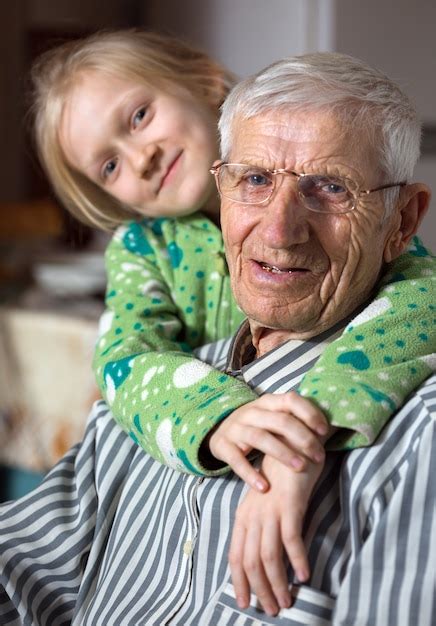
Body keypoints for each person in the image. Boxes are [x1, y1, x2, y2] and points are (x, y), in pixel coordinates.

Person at [1, 50, 434, 625]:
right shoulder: (145, 389)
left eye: (330, 187)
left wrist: (305, 434)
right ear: (223, 182)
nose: (278, 232)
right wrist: (215, 415)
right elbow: (125, 361)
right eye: (253, 179)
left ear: (401, 222)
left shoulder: (415, 430)